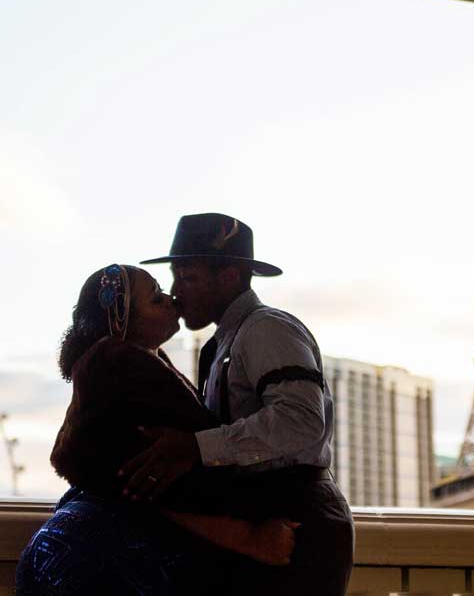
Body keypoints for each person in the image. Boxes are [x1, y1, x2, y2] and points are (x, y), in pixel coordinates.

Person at [16, 264, 296, 596]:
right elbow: (164, 493)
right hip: (102, 558)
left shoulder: (125, 369)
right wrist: (250, 538)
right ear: (124, 322)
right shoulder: (126, 373)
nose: (171, 299)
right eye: (156, 298)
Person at [120, 213, 355, 596]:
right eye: (176, 277)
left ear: (229, 276)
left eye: (189, 277)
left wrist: (196, 448)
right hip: (270, 515)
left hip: (296, 520)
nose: (177, 291)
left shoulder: (266, 327)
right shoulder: (225, 342)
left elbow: (301, 419)